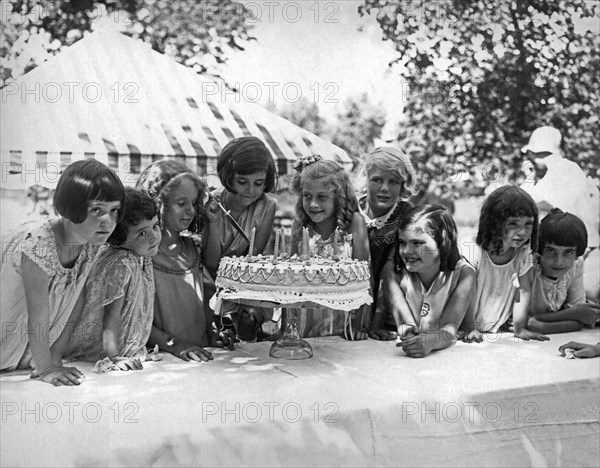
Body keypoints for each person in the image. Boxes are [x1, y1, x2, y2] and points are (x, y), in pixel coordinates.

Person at [0, 159, 125, 386]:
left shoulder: (90, 242)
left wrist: (55, 357)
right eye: (96, 209)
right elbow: (38, 313)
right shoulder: (38, 242)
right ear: (71, 207)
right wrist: (46, 367)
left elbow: (75, 301)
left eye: (114, 210)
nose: (108, 221)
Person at [136, 160, 234, 363]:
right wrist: (176, 346)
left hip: (199, 356)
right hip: (163, 359)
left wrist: (213, 332)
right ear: (157, 203)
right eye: (181, 204)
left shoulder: (193, 248)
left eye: (193, 203)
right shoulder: (141, 256)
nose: (190, 211)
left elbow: (204, 301)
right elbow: (136, 318)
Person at [64, 188, 161, 370]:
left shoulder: (139, 255)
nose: (154, 236)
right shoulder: (122, 264)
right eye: (142, 233)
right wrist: (115, 357)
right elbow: (111, 317)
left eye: (155, 226)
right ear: (117, 237)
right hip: (101, 348)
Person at [288, 154, 370, 339]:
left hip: (342, 323)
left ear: (339, 197)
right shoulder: (299, 225)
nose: (313, 204)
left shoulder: (355, 223)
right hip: (303, 321)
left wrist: (358, 324)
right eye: (307, 196)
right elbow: (288, 278)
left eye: (322, 197)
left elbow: (364, 279)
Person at [203, 136, 278, 341]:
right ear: (228, 176)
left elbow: (252, 260)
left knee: (250, 318)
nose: (251, 190)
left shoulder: (267, 207)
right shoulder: (211, 204)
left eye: (259, 183)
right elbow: (210, 264)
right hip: (207, 282)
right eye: (242, 181)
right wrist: (213, 223)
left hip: (243, 283)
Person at [384, 205, 476, 357]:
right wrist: (410, 335)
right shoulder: (394, 272)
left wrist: (430, 341)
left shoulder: (464, 274)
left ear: (442, 242)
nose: (406, 251)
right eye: (402, 242)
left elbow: (449, 329)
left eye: (418, 243)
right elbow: (406, 326)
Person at [520, 126, 599, 301]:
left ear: (536, 152)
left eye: (530, 154)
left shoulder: (560, 173)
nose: (529, 159)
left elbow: (532, 204)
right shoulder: (568, 169)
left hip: (577, 253)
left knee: (583, 310)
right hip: (580, 250)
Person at [461, 185, 549, 342]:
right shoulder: (473, 248)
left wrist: (519, 328)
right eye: (513, 224)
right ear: (493, 223)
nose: (522, 231)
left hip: (494, 330)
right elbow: (467, 291)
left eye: (528, 224)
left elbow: (524, 290)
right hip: (463, 325)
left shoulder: (523, 251)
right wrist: (469, 328)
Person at [355, 147, 415, 341]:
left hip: (388, 296)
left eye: (394, 182)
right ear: (366, 178)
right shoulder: (352, 208)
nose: (385, 189)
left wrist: (377, 320)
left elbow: (389, 272)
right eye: (377, 180)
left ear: (403, 185)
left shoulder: (404, 214)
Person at [525, 209, 600, 334]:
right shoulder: (527, 265)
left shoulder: (576, 265)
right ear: (539, 250)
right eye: (551, 250)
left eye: (568, 252)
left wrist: (539, 323)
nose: (559, 261)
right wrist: (570, 314)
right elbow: (516, 320)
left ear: (577, 254)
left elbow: (579, 320)